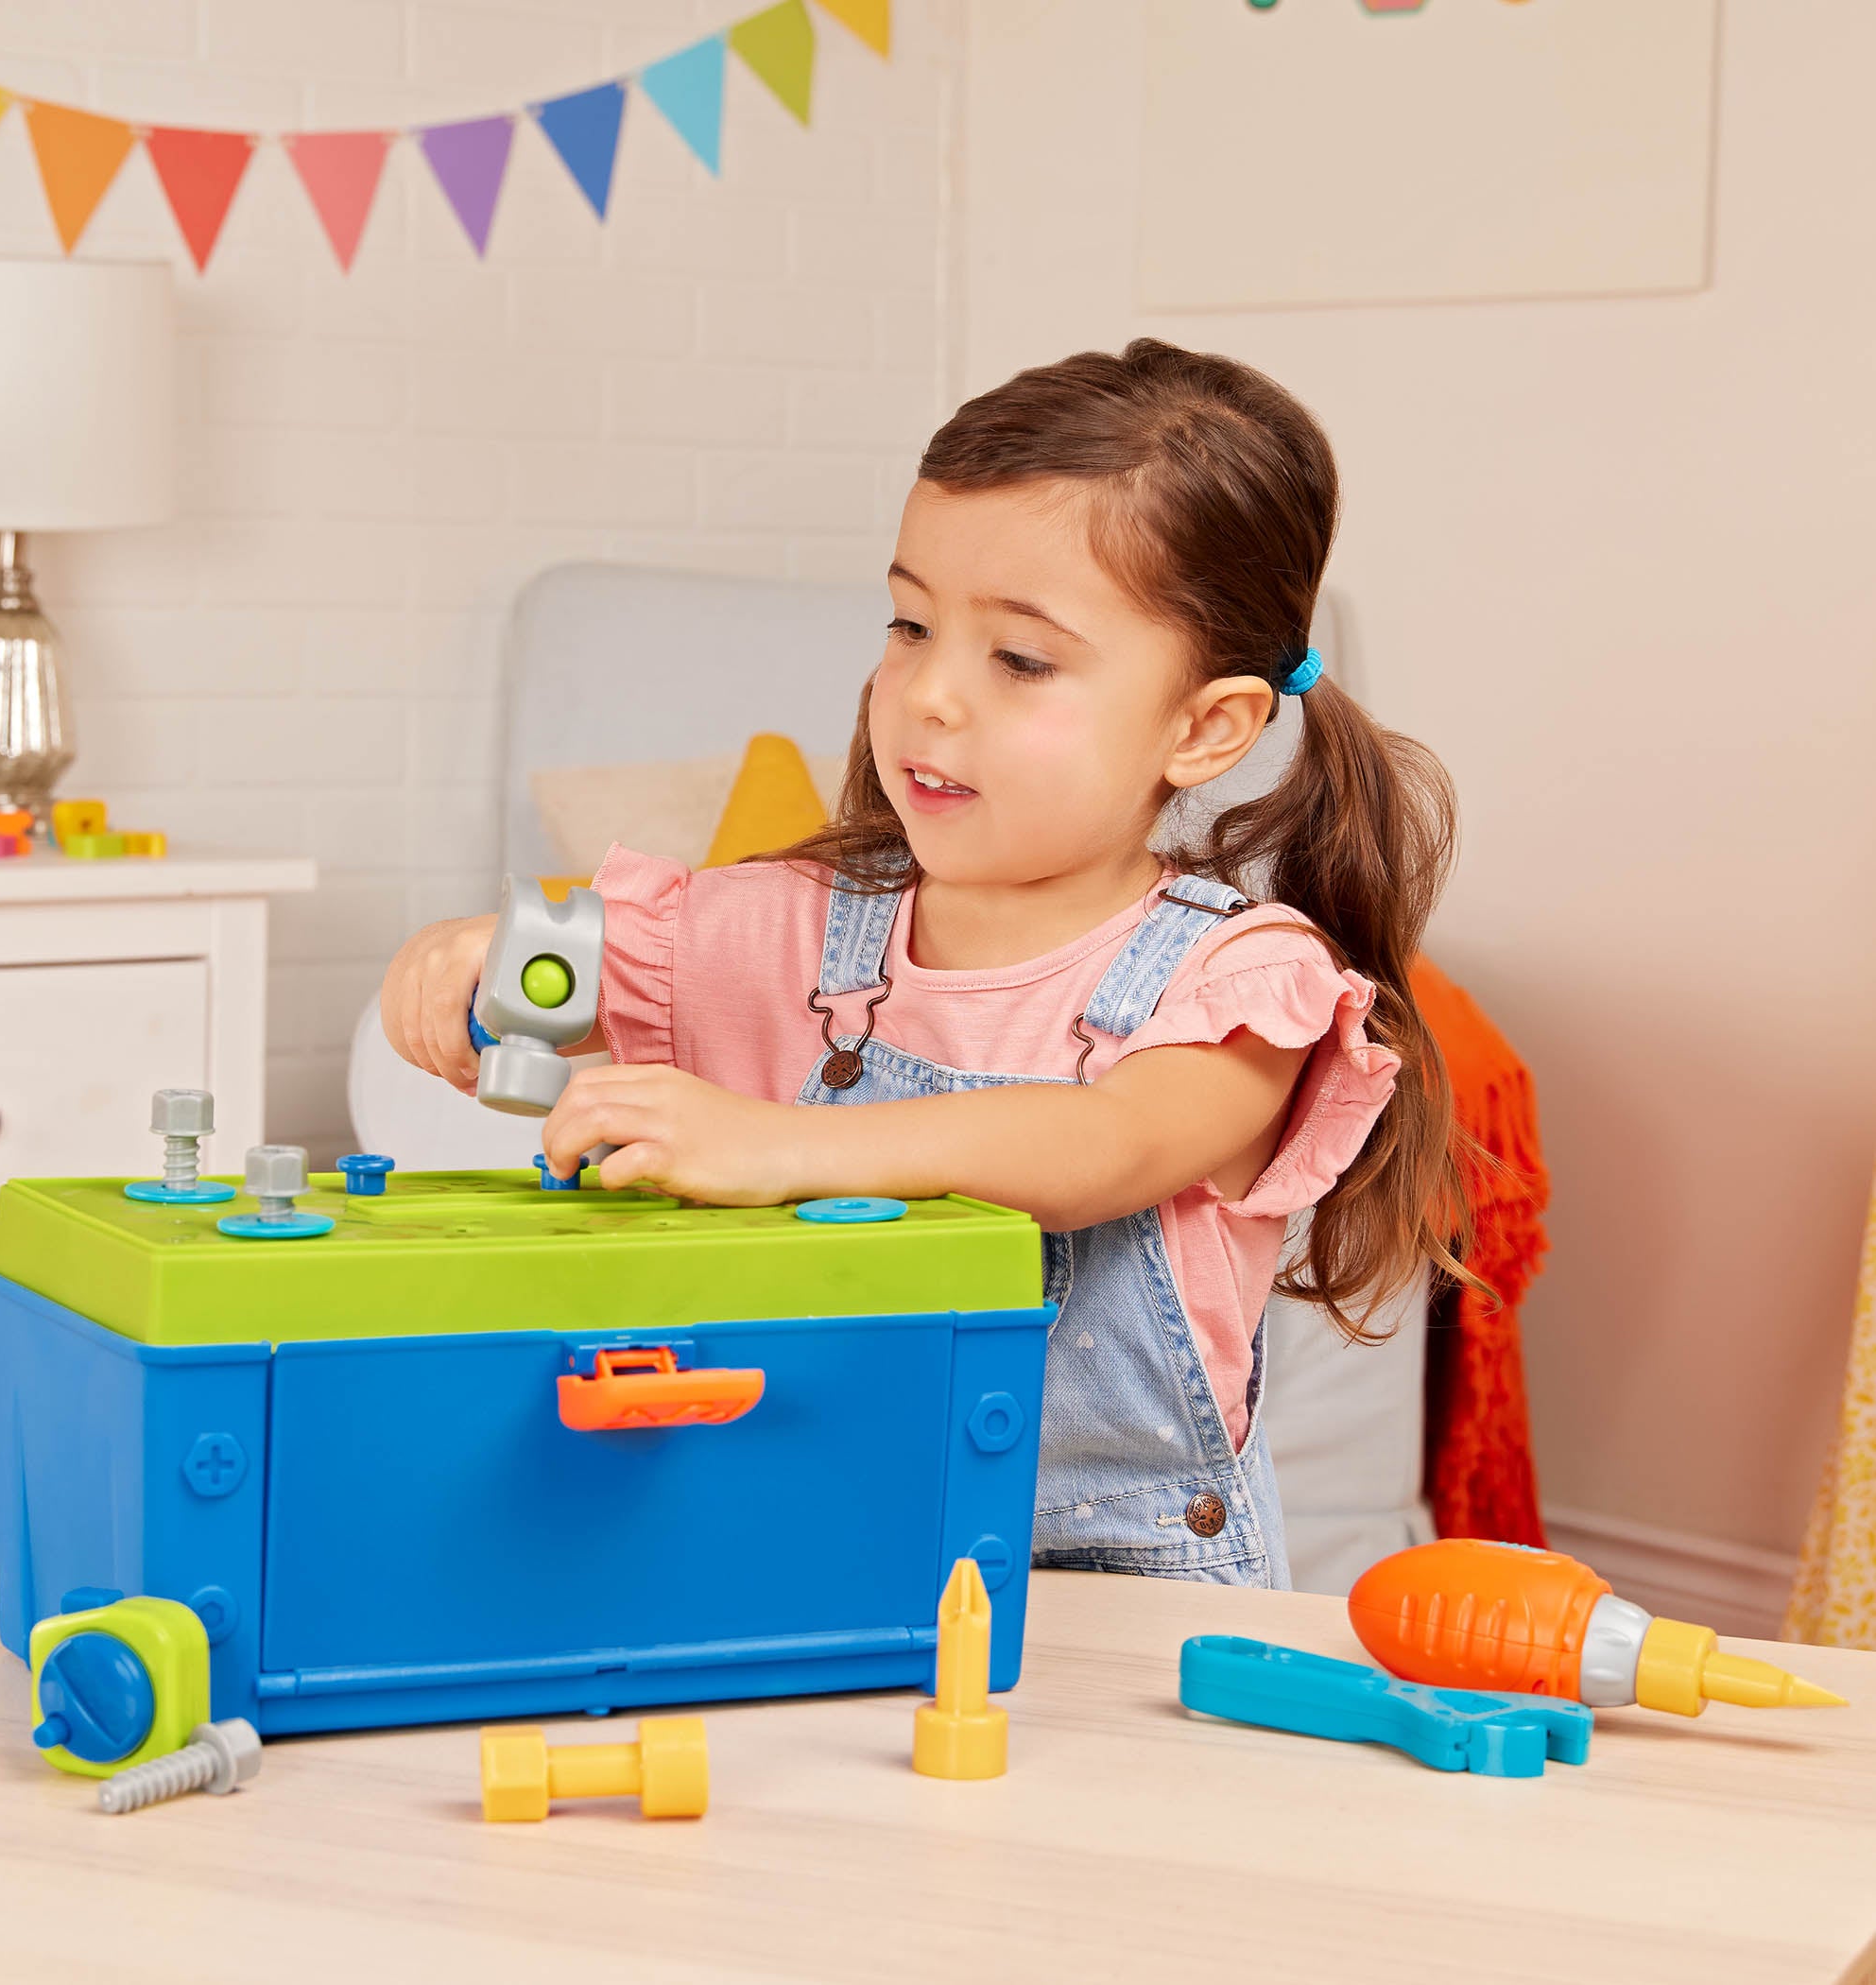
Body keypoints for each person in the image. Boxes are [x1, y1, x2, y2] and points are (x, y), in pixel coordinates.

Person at [380, 339, 1470, 1585]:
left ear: (1205, 726)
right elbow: (583, 964)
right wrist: (483, 957)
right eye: (910, 625)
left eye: (1021, 659)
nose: (929, 694)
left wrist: (776, 1145)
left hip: (1118, 1595)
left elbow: (1101, 1148)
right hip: (809, 1548)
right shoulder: (797, 924)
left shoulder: (1237, 982)